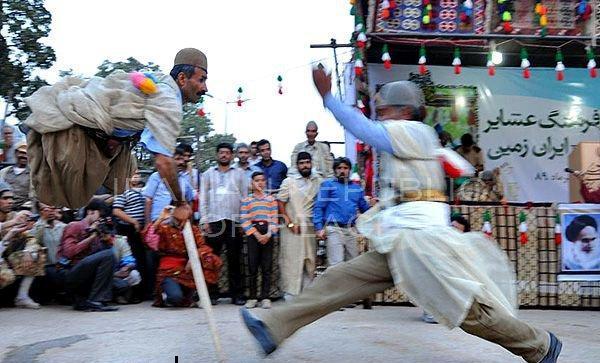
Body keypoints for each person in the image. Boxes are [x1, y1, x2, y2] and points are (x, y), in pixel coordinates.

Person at [240, 71, 562, 363]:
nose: (380, 117)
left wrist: (329, 98)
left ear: (404, 111)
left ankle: (540, 345)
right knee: (338, 279)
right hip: (402, 238)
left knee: (469, 311)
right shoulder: (409, 136)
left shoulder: (414, 131)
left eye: (384, 111)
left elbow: (365, 130)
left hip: (421, 241)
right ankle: (273, 327)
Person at [23, 49, 205, 230]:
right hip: (74, 130)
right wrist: (180, 202)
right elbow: (164, 161)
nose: (205, 88)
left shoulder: (159, 82)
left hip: (95, 135)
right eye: (201, 80)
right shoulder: (168, 100)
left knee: (121, 176)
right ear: (182, 78)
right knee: (56, 191)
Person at [200, 142, 248, 305]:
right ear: (217, 155)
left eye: (227, 153)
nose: (224, 155)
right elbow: (203, 199)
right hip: (214, 221)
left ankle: (237, 295)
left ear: (231, 155)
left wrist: (243, 221)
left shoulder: (240, 174)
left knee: (235, 259)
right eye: (221, 152)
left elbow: (244, 197)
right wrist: (204, 220)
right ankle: (212, 294)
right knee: (212, 259)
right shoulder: (207, 174)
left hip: (234, 220)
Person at [152, 207, 222, 307]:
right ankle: (166, 294)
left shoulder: (193, 229)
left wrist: (195, 256)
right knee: (175, 298)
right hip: (170, 270)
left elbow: (203, 247)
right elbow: (150, 240)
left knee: (210, 258)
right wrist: (161, 218)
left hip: (187, 268)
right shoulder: (165, 228)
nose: (181, 222)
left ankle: (196, 294)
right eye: (178, 219)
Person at [57, 200, 118, 312]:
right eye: (101, 215)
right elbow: (69, 252)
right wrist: (90, 237)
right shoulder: (75, 226)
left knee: (111, 256)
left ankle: (95, 299)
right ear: (90, 212)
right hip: (71, 271)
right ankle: (94, 301)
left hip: (86, 273)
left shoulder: (98, 230)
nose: (101, 219)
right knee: (108, 255)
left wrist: (106, 239)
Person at [276, 152, 322, 300]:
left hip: (309, 226)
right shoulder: (288, 182)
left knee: (310, 259)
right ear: (297, 165)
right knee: (291, 259)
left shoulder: (317, 181)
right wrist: (289, 222)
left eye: (307, 162)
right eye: (302, 163)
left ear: (311, 164)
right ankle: (290, 294)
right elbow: (280, 203)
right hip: (292, 227)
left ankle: (306, 297)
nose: (305, 166)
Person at [313, 157, 370, 267]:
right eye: (339, 168)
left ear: (349, 170)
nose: (342, 170)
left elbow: (365, 209)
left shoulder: (357, 188)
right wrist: (319, 228)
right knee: (336, 265)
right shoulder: (328, 185)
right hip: (334, 228)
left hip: (351, 230)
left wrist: (377, 208)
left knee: (353, 265)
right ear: (335, 170)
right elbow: (319, 207)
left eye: (345, 168)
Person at [240, 171, 278, 309]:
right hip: (253, 233)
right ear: (252, 183)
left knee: (266, 267)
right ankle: (252, 297)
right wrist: (256, 234)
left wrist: (268, 234)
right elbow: (244, 219)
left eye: (262, 180)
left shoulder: (271, 200)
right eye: (257, 180)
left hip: (267, 233)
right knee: (252, 266)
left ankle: (265, 297)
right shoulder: (247, 200)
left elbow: (274, 218)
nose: (260, 183)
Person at [113, 170, 147, 300]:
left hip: (141, 230)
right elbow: (116, 210)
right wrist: (133, 221)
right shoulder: (123, 191)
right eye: (133, 174)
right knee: (132, 260)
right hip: (128, 229)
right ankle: (130, 293)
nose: (136, 176)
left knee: (142, 260)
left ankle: (141, 292)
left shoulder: (143, 190)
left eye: (138, 174)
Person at [29, 202, 67, 304]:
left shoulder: (63, 227)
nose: (50, 211)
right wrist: (43, 221)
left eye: (52, 208)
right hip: (46, 266)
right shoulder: (37, 227)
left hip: (63, 264)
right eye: (46, 209)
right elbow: (33, 241)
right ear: (40, 212)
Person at [0, 142, 32, 210]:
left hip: (23, 208)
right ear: (16, 153)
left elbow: (34, 195)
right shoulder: (4, 171)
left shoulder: (32, 174)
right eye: (21, 153)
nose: (24, 156)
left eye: (26, 154)